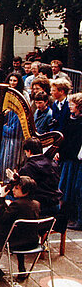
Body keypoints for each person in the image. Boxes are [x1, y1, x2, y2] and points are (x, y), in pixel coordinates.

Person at [0, 176, 41, 279]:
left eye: (16, 188)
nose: (13, 190)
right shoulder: (36, 204)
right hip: (32, 241)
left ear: (26, 191)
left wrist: (0, 199)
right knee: (20, 231)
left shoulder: (17, 205)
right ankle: (21, 268)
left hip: (15, 242)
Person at [59, 93, 82, 230]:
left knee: (76, 189)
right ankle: (67, 215)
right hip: (68, 158)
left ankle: (78, 219)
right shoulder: (71, 119)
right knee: (65, 188)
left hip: (75, 159)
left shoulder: (79, 122)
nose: (69, 106)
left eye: (72, 104)